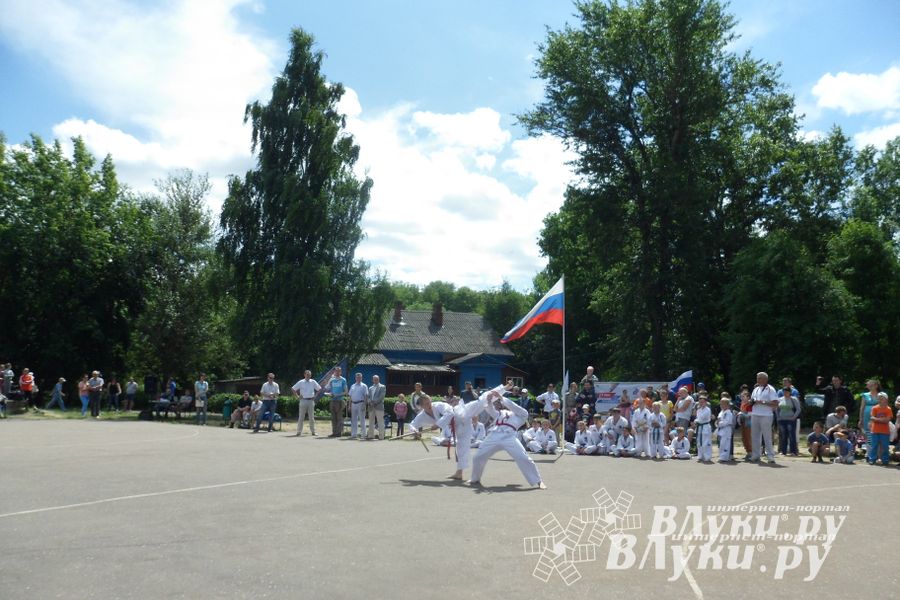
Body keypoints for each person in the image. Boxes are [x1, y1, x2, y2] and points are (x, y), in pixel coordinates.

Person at [468, 387, 546, 489]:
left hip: (509, 437)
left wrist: (502, 398)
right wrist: (489, 400)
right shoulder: (500, 413)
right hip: (494, 435)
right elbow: (490, 409)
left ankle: (538, 481)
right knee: (478, 456)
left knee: (523, 458)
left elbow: (514, 407)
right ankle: (475, 478)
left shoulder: (522, 415)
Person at [749, 372, 778, 464]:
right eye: (757, 378)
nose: (758, 380)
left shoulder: (771, 389)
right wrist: (751, 402)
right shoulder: (756, 389)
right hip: (755, 414)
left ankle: (770, 456)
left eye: (760, 378)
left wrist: (762, 402)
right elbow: (753, 400)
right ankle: (756, 455)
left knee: (767, 436)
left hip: (766, 415)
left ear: (765, 379)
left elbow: (775, 403)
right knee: (755, 436)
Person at [291, 370, 321, 437]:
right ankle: (299, 432)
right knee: (301, 417)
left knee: (311, 417)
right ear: (304, 375)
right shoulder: (301, 382)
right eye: (307, 374)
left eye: (309, 374)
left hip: (311, 401)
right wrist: (297, 396)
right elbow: (293, 389)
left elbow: (319, 389)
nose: (308, 376)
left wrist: (315, 396)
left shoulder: (313, 382)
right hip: (303, 400)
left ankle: (313, 432)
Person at [776, 382, 802, 456]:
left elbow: (798, 409)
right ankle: (783, 451)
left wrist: (794, 417)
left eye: (787, 392)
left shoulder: (794, 399)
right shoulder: (780, 399)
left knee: (791, 435)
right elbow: (776, 409)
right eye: (784, 392)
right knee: (783, 435)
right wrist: (778, 417)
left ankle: (793, 451)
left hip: (791, 420)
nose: (785, 393)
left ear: (790, 392)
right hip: (782, 420)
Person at [867, 392, 893, 466]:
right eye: (879, 398)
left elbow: (887, 420)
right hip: (875, 430)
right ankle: (872, 459)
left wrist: (877, 419)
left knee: (885, 446)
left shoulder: (888, 409)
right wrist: (882, 420)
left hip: (885, 431)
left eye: (882, 398)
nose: (880, 399)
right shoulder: (875, 408)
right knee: (874, 445)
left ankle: (885, 460)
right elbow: (872, 418)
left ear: (886, 399)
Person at [325, 367, 348, 437]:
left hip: (340, 400)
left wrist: (337, 395)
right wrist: (329, 394)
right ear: (334, 372)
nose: (337, 372)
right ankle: (334, 432)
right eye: (336, 371)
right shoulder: (332, 380)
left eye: (339, 371)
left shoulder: (343, 380)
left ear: (341, 372)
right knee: (333, 418)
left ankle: (338, 433)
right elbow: (327, 388)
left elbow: (346, 391)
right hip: (332, 400)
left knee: (339, 418)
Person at [345, 373, 368, 440]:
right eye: (357, 377)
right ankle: (354, 434)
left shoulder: (364, 386)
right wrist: (349, 405)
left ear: (361, 378)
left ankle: (363, 434)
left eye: (359, 377)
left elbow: (366, 396)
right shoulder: (353, 386)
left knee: (362, 420)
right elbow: (350, 396)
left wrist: (365, 405)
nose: (358, 378)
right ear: (355, 378)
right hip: (353, 404)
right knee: (353, 420)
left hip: (361, 403)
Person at [367, 375, 387, 440]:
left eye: (377, 379)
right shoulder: (370, 388)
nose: (375, 380)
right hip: (371, 407)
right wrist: (370, 402)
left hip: (379, 406)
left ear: (379, 379)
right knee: (371, 422)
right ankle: (370, 435)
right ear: (372, 380)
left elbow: (381, 397)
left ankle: (381, 436)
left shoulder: (382, 387)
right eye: (374, 379)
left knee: (380, 422)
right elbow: (368, 397)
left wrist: (374, 402)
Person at [716, 395, 735, 462]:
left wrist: (719, 423)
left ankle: (724, 457)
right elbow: (718, 420)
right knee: (721, 443)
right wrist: (717, 423)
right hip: (721, 430)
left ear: (727, 405)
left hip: (726, 429)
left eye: (722, 404)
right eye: (720, 404)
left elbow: (727, 421)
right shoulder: (721, 412)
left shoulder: (729, 413)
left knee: (725, 443)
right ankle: (721, 456)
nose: (721, 405)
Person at [695, 394, 713, 463]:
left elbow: (702, 418)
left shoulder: (707, 410)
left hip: (705, 427)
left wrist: (695, 421)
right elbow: (697, 418)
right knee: (699, 442)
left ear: (706, 402)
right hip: (699, 427)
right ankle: (700, 456)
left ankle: (707, 457)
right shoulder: (698, 410)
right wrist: (695, 421)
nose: (701, 403)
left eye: (702, 402)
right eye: (700, 402)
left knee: (706, 442)